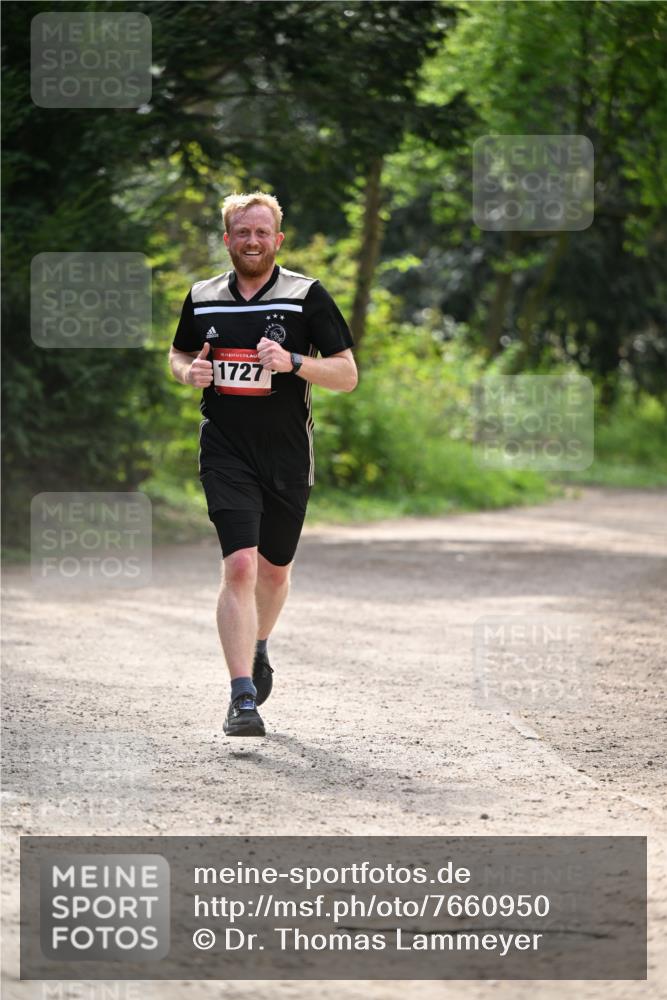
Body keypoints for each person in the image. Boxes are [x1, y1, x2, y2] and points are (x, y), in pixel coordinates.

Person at [169, 192, 357, 738]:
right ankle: (242, 696)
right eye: (241, 232)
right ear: (226, 239)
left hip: (286, 455)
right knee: (241, 568)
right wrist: (188, 375)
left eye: (262, 232)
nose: (252, 241)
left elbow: (346, 374)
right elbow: (179, 353)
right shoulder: (203, 297)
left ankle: (258, 645)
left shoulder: (306, 297)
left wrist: (295, 362)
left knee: (274, 570)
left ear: (278, 238)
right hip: (225, 449)